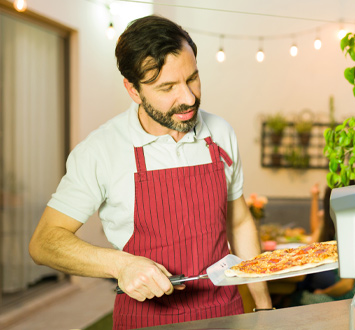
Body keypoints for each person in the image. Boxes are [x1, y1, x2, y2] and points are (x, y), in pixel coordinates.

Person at [28, 15, 271, 329]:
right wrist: (121, 265)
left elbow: (238, 223)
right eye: (167, 87)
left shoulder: (220, 133)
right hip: (145, 321)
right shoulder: (101, 150)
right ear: (133, 89)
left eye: (193, 78)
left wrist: (265, 309)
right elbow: (44, 242)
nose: (189, 98)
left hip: (225, 314)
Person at [292, 182, 355, 306]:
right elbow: (314, 240)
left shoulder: (348, 231)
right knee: (303, 282)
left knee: (299, 294)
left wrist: (322, 292)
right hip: (341, 291)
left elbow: (347, 285)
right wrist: (315, 199)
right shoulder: (343, 225)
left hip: (347, 299)